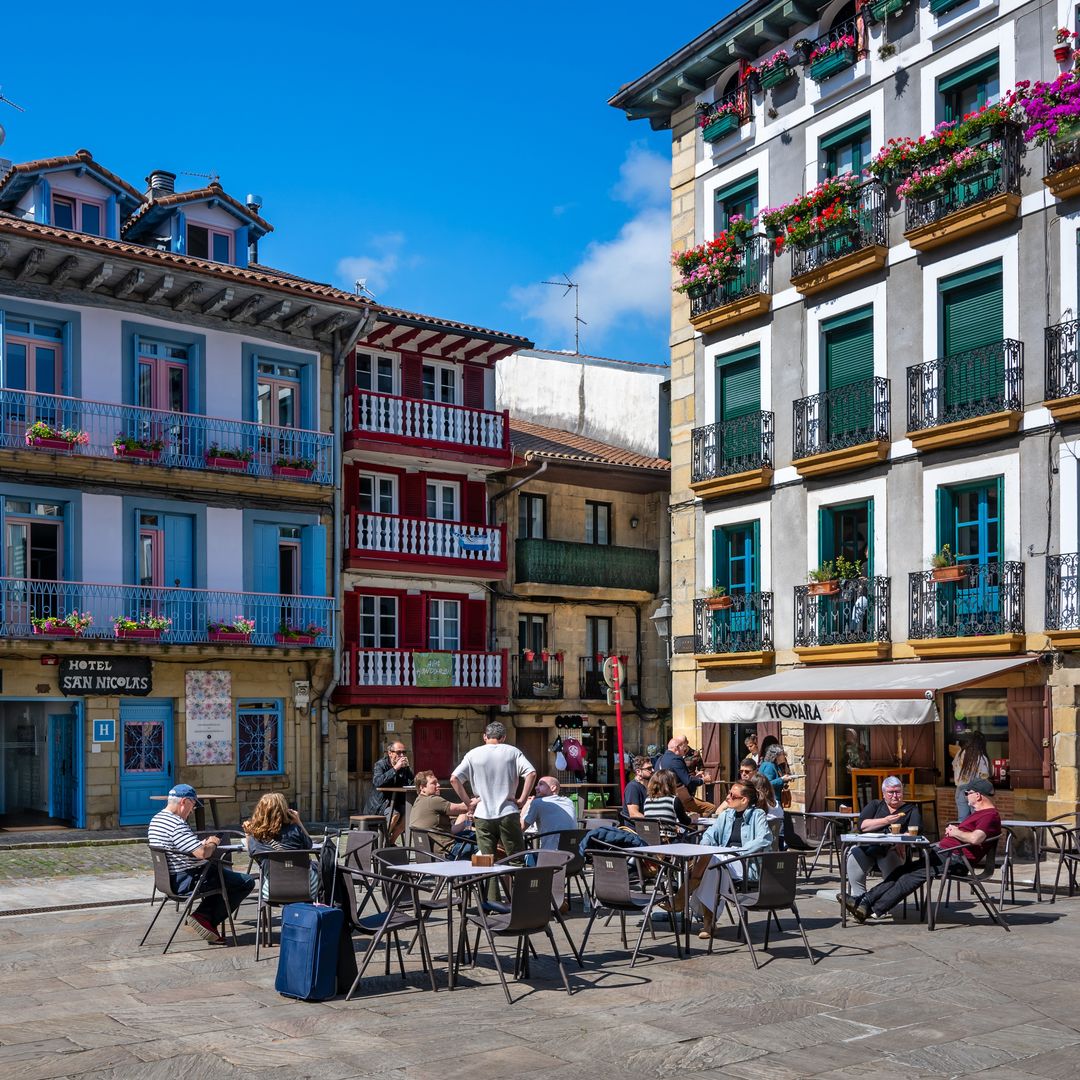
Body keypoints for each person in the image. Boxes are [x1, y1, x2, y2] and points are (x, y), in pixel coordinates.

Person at [846, 778, 1001, 922]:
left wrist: (956, 832)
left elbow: (976, 838)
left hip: (955, 859)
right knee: (900, 872)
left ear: (978, 795)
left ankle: (870, 909)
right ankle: (864, 901)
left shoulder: (990, 815)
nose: (966, 796)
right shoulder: (981, 814)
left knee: (908, 879)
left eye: (968, 793)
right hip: (945, 854)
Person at [147, 783, 255, 944]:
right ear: (184, 801)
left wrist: (201, 845)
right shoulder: (176, 824)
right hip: (187, 880)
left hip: (168, 879)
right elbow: (203, 853)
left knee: (224, 877)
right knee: (245, 882)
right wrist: (212, 843)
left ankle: (206, 919)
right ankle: (204, 917)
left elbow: (184, 847)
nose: (192, 811)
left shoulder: (156, 820)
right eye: (192, 806)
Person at [691, 781, 772, 938]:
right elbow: (709, 834)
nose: (727, 797)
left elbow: (764, 838)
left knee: (714, 861)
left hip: (745, 863)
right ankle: (708, 923)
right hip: (723, 862)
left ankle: (691, 887)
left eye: (732, 795)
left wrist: (738, 851)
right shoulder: (726, 815)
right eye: (728, 794)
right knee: (715, 867)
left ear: (744, 800)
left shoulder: (758, 815)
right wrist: (705, 845)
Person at [450, 721, 536, 861]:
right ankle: (513, 883)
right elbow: (531, 773)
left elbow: (454, 779)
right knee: (515, 859)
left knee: (487, 862)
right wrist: (522, 800)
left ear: (485, 737)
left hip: (483, 814)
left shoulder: (473, 754)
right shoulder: (513, 752)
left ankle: (492, 883)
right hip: (507, 812)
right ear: (503, 737)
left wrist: (468, 803)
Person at [845, 777, 923, 900]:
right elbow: (862, 826)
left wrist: (901, 841)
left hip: (893, 850)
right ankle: (860, 899)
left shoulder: (911, 809)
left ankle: (882, 903)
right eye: (891, 792)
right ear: (884, 794)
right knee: (853, 854)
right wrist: (886, 820)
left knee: (891, 858)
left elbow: (915, 830)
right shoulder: (875, 805)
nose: (895, 795)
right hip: (869, 848)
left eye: (898, 792)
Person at [243, 792, 318, 901]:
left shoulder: (256, 836)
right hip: (306, 888)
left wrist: (248, 834)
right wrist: (298, 822)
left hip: (272, 891)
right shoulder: (295, 830)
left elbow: (252, 853)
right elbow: (309, 845)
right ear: (284, 810)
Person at [758, 744, 811, 850]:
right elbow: (767, 784)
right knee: (779, 829)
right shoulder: (769, 766)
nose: (785, 756)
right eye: (783, 754)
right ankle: (781, 852)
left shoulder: (773, 765)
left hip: (773, 801)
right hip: (772, 802)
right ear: (776, 755)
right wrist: (782, 780)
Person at [365, 740, 414, 843]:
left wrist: (408, 770)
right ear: (390, 753)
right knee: (395, 814)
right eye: (399, 752)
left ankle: (390, 842)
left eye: (404, 752)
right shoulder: (380, 765)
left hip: (397, 802)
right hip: (381, 805)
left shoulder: (404, 767)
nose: (402, 755)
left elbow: (411, 784)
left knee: (410, 814)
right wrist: (395, 768)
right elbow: (378, 782)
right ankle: (380, 843)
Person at [656, 735, 717, 815]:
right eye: (683, 749)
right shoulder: (676, 759)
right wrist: (703, 780)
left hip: (662, 796)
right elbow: (687, 781)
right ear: (677, 747)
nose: (684, 751)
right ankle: (693, 826)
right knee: (711, 808)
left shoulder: (660, 759)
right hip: (679, 797)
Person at [410, 771, 476, 835]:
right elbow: (464, 808)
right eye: (434, 783)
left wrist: (467, 822)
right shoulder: (433, 800)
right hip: (447, 845)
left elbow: (451, 831)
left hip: (431, 845)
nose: (438, 785)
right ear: (422, 787)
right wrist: (480, 799)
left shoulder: (417, 801)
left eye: (437, 782)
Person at [521, 775, 577, 848]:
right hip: (573, 853)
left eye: (540, 784)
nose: (536, 787)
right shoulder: (568, 801)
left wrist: (528, 803)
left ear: (553, 788)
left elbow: (521, 828)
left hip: (551, 854)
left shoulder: (538, 803)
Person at [952, 730, 990, 825]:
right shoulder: (981, 757)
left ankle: (962, 839)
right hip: (974, 791)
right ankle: (973, 839)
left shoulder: (960, 753)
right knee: (976, 820)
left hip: (960, 790)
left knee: (962, 821)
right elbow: (984, 777)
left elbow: (953, 766)